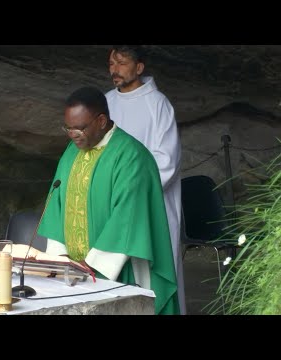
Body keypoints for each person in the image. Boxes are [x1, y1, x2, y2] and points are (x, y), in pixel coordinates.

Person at [37, 86, 179, 315]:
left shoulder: (131, 155)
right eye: (68, 128)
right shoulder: (71, 152)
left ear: (101, 121)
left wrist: (92, 265)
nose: (73, 134)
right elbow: (57, 203)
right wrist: (60, 257)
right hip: (70, 273)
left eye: (80, 128)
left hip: (114, 270)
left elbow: (129, 217)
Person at [105, 45, 185, 315]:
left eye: (122, 63)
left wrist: (134, 190)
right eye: (111, 63)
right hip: (113, 203)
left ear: (139, 67)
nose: (114, 69)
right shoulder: (105, 103)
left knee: (153, 272)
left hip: (151, 203)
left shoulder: (158, 104)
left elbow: (167, 160)